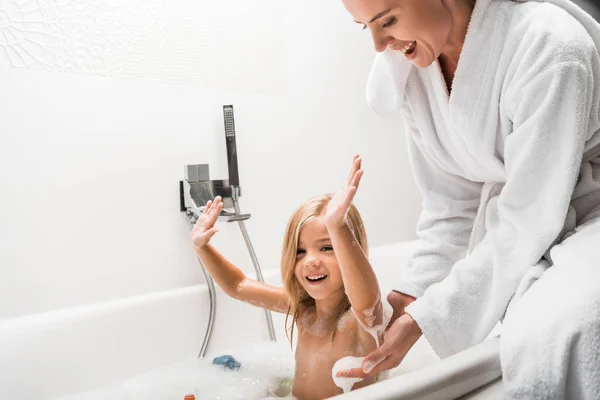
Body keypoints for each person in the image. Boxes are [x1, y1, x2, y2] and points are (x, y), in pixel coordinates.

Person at [338, 0, 600, 398]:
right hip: (527, 225)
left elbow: (530, 216)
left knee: (557, 330)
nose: (378, 44)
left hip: (589, 217)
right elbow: (451, 205)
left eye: (387, 20)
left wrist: (434, 314)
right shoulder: (411, 72)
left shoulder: (550, 48)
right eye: (364, 27)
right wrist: (413, 293)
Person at [191, 156, 388, 399]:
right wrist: (202, 247)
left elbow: (366, 298)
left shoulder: (361, 321)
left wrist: (338, 226)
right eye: (300, 251)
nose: (311, 261)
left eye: (326, 247)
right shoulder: (303, 308)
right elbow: (238, 285)